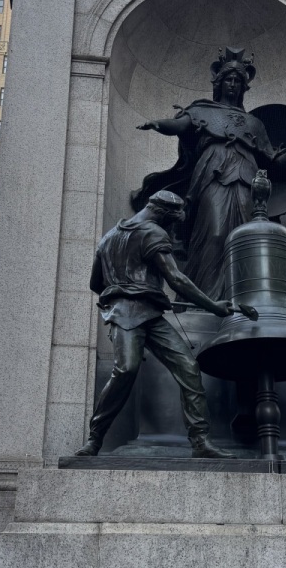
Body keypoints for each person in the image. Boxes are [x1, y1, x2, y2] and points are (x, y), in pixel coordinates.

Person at [134, 47, 286, 299]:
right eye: (228, 79)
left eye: (238, 81)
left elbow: (274, 162)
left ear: (243, 87)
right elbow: (181, 125)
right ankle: (203, 299)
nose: (233, 84)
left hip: (247, 179)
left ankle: (243, 297)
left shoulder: (254, 124)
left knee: (245, 236)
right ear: (219, 83)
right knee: (215, 233)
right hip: (213, 174)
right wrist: (158, 124)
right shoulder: (203, 110)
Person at [76, 189, 235, 458]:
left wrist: (122, 293)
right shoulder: (152, 232)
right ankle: (94, 439)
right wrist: (214, 306)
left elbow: (95, 284)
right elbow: (177, 279)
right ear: (164, 215)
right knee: (126, 369)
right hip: (127, 315)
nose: (171, 230)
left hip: (150, 315)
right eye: (172, 223)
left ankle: (200, 441)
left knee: (188, 367)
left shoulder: (108, 238)